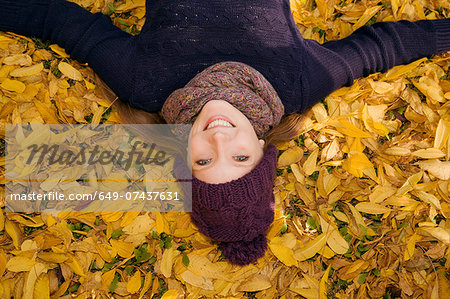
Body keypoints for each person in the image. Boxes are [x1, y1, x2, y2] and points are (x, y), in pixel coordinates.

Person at [0, 0, 449, 265]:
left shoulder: (144, 83)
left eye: (202, 161)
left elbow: (59, 21)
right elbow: (382, 47)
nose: (218, 140)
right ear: (261, 147)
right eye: (239, 159)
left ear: (183, 154)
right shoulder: (297, 82)